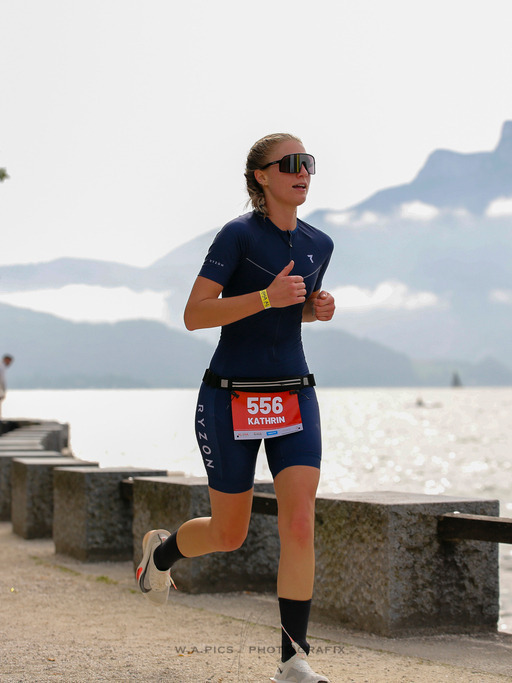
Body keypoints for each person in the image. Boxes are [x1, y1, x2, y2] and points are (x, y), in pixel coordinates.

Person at [136, 134, 336, 683]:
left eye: (308, 164)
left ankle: (294, 659)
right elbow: (196, 314)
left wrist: (313, 310)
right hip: (231, 396)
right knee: (230, 534)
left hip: (293, 393)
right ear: (261, 177)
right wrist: (269, 297)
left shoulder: (320, 243)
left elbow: (283, 318)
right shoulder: (238, 236)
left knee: (299, 521)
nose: (303, 172)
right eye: (291, 164)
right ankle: (161, 553)